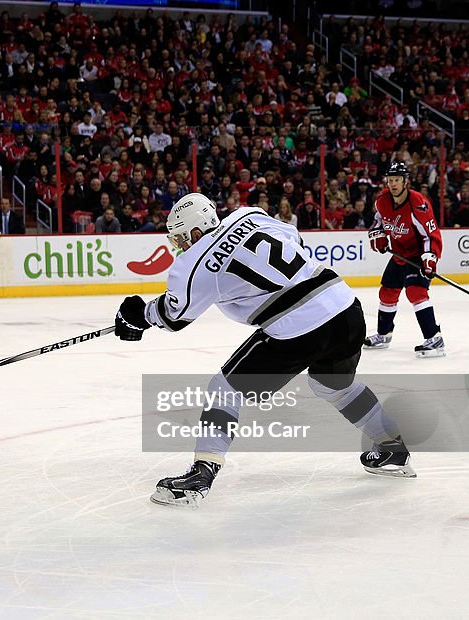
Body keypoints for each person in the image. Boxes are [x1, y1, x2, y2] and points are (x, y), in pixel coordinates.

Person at [114, 193, 415, 508]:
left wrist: (139, 315)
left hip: (299, 326)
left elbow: (174, 315)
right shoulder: (249, 214)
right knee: (333, 384)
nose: (179, 245)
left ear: (195, 232)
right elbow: (293, 239)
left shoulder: (194, 262)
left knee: (224, 389)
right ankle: (391, 446)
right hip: (344, 307)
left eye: (179, 238)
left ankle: (201, 473)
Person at [363, 161, 445, 358]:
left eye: (397, 180)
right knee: (387, 292)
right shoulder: (382, 200)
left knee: (416, 292)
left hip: (418, 255)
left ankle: (435, 339)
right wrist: (378, 234)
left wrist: (429, 258)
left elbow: (430, 235)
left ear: (405, 181)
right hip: (399, 254)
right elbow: (378, 222)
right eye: (390, 180)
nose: (393, 184)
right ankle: (384, 335)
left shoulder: (418, 203)